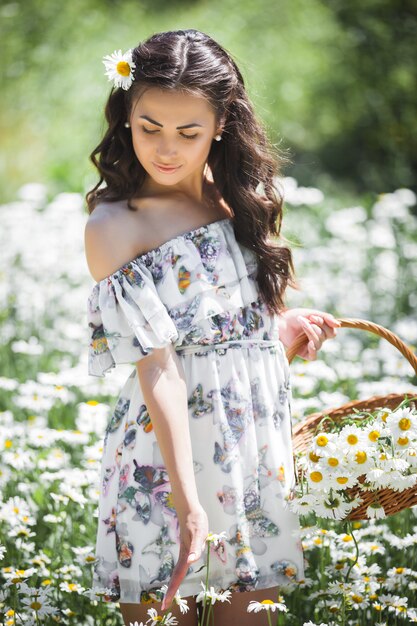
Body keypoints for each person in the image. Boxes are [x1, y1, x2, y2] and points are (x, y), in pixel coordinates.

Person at [84, 28, 341, 626]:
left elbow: (232, 331)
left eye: (188, 132)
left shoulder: (241, 199)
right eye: (148, 127)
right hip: (162, 458)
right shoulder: (116, 226)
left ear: (222, 123)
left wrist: (283, 327)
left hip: (250, 449)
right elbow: (161, 368)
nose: (165, 148)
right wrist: (188, 504)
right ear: (126, 114)